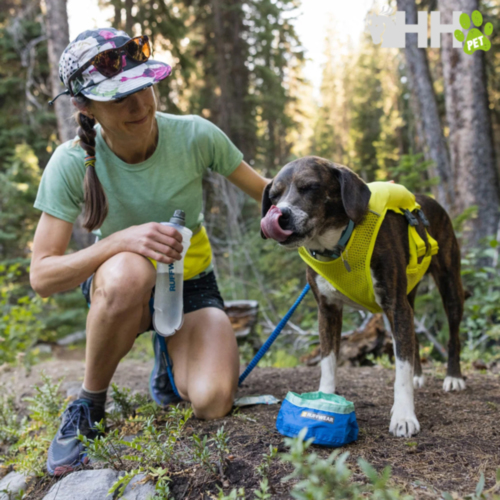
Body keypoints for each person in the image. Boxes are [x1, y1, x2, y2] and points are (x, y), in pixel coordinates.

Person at [30, 28, 269, 476]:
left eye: (144, 87)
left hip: (191, 285)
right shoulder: (71, 162)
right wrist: (121, 240)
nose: (139, 105)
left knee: (213, 400)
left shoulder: (195, 135)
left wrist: (338, 199)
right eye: (119, 97)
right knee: (128, 271)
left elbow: (270, 195)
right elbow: (42, 276)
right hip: (122, 290)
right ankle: (89, 405)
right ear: (85, 106)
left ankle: (169, 359)